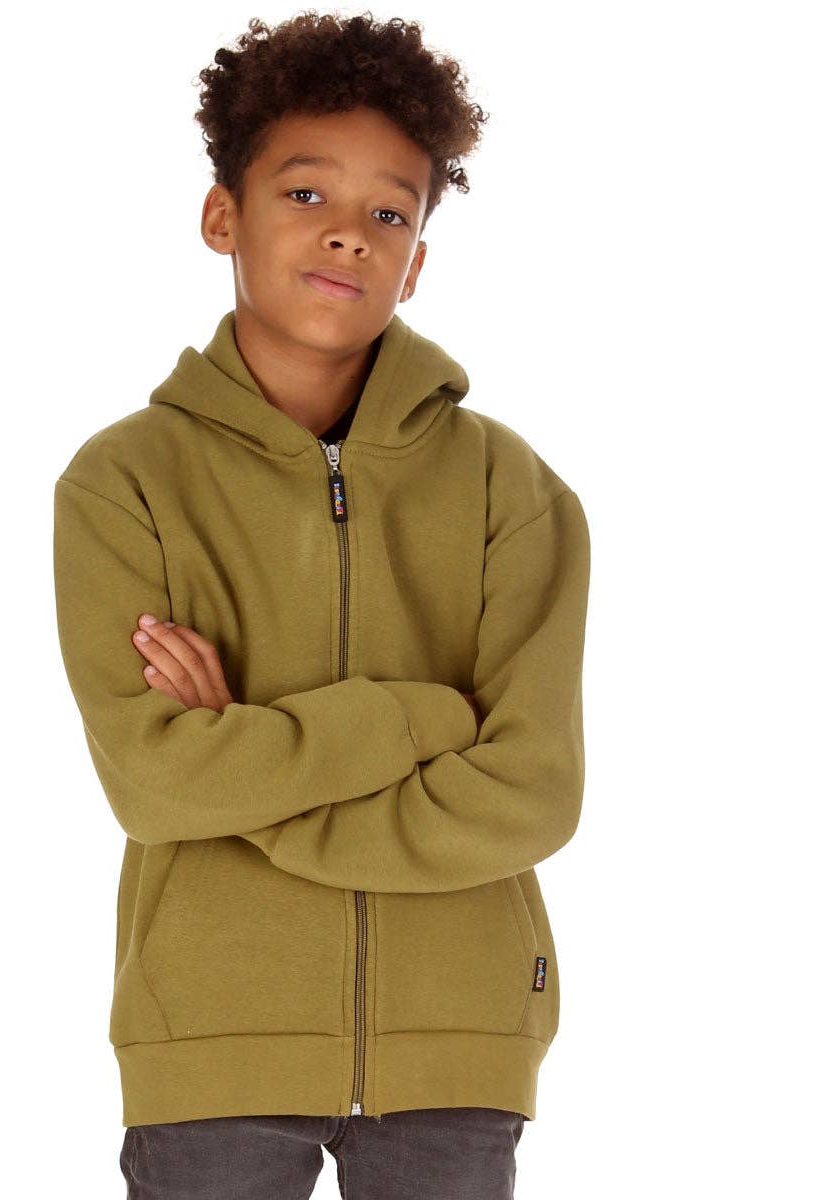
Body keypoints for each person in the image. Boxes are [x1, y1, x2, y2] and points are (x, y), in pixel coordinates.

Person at [52, 11, 591, 1199]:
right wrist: (419, 720)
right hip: (207, 1039)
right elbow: (154, 782)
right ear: (222, 216)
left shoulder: (510, 489)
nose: (348, 231)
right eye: (304, 193)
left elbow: (532, 790)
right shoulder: (124, 481)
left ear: (416, 261)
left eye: (389, 214)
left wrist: (247, 779)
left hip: (460, 1040)